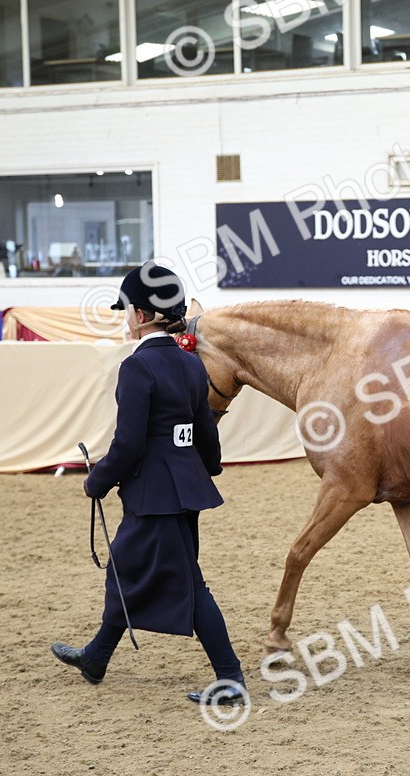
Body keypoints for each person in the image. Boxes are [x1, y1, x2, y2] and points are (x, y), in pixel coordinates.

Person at [51, 261, 246, 706]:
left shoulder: (137, 367)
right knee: (127, 566)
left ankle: (231, 678)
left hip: (155, 494)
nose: (125, 318)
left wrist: (97, 480)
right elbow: (205, 430)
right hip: (183, 489)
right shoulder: (191, 364)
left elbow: (129, 443)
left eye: (126, 311)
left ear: (140, 315)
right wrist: (208, 467)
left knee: (189, 585)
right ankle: (97, 656)